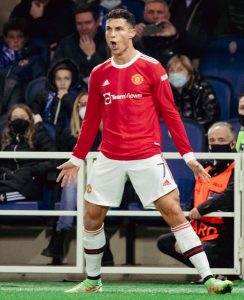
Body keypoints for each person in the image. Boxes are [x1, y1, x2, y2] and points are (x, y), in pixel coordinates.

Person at [56, 8, 233, 294]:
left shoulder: (151, 68)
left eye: (118, 29)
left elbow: (171, 114)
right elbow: (90, 122)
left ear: (131, 32)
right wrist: (77, 158)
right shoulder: (99, 73)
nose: (112, 35)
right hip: (110, 156)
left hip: (146, 156)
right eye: (109, 29)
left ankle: (209, 279)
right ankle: (92, 281)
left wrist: (188, 156)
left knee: (173, 212)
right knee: (91, 217)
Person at [158, 121, 236, 270]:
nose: (216, 144)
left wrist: (202, 209)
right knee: (165, 242)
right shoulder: (203, 169)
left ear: (232, 144)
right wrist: (183, 236)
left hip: (223, 235)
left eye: (221, 140)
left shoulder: (237, 169)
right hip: (199, 231)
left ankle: (222, 270)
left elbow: (229, 196)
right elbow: (191, 203)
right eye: (212, 141)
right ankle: (207, 271)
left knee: (203, 251)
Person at [41, 91, 102, 264]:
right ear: (75, 109)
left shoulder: (106, 130)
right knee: (71, 184)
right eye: (81, 105)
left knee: (77, 185)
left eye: (88, 104)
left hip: (100, 177)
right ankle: (105, 253)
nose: (84, 108)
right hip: (76, 178)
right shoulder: (68, 133)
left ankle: (57, 242)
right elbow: (64, 159)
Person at [0, 103, 57, 203]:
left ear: (30, 119)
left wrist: (33, 171)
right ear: (9, 121)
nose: (19, 119)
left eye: (22, 117)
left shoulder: (39, 135)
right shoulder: (4, 138)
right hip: (5, 181)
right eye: (15, 117)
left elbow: (55, 158)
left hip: (28, 185)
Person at [0, 18, 46, 124]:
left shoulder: (33, 59)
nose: (15, 41)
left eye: (19, 37)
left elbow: (39, 82)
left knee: (13, 84)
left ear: (25, 39)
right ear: (6, 39)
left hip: (19, 98)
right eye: (11, 37)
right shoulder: (2, 58)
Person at [53, 4, 108, 89]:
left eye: (88, 23)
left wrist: (92, 55)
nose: (84, 28)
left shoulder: (109, 42)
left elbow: (110, 74)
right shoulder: (66, 43)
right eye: (79, 24)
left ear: (97, 22)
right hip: (72, 89)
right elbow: (55, 69)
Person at [133, 0, 201, 65]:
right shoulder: (135, 31)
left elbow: (196, 51)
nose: (155, 16)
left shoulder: (178, 33)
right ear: (144, 15)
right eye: (151, 12)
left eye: (160, 12)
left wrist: (176, 36)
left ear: (168, 15)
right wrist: (131, 35)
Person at [31, 58, 80, 141]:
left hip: (71, 136)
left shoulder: (79, 96)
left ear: (72, 80)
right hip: (47, 135)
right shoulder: (43, 96)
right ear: (54, 80)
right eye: (59, 79)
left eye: (66, 78)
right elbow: (34, 115)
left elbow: (82, 116)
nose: (62, 83)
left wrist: (66, 98)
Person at [167, 55, 219, 132]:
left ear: (189, 73)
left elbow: (211, 118)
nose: (175, 74)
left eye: (180, 70)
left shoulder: (203, 89)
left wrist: (188, 128)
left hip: (198, 134)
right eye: (171, 70)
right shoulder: (165, 92)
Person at [9, 0, 76, 52]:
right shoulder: (22, 8)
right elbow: (13, 36)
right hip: (28, 55)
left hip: (58, 54)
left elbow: (62, 40)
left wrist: (39, 20)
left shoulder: (65, 7)